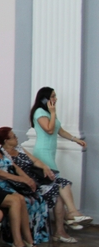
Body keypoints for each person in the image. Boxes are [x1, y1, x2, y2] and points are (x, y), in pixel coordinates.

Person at [0, 127, 82, 243]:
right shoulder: (3, 154)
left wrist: (45, 167)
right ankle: (64, 224)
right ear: (6, 141)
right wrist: (28, 180)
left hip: (37, 178)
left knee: (63, 184)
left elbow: (35, 160)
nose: (17, 138)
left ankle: (70, 214)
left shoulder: (19, 148)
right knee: (58, 192)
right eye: (13, 137)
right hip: (26, 184)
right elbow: (13, 172)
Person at [0, 128, 48, 247]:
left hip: (10, 185)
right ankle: (17, 241)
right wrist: (21, 179)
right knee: (21, 200)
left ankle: (29, 240)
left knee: (34, 199)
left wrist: (28, 179)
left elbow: (15, 166)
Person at [29, 87, 92, 223]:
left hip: (50, 152)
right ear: (44, 99)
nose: (55, 99)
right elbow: (49, 130)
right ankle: (71, 214)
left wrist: (75, 139)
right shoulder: (40, 112)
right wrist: (52, 112)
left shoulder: (49, 113)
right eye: (52, 96)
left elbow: (60, 130)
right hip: (43, 152)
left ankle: (66, 221)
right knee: (57, 182)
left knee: (58, 188)